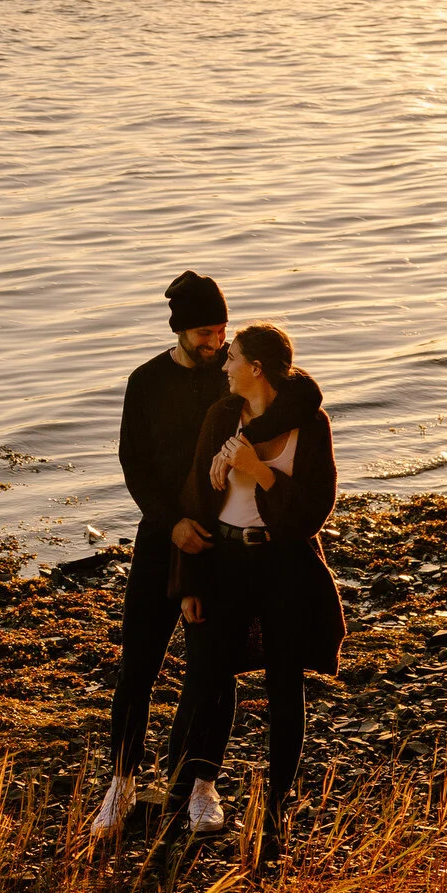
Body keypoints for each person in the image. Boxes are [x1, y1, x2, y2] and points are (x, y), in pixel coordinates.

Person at [96, 274, 318, 839]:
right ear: (178, 329)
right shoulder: (145, 382)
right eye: (203, 332)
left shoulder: (232, 383)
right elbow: (134, 465)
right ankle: (120, 785)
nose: (215, 344)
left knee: (212, 671)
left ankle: (201, 785)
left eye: (222, 332)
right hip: (163, 537)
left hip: (219, 544)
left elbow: (295, 396)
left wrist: (252, 457)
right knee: (137, 666)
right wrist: (172, 523)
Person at [170, 322, 345, 856]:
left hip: (283, 563)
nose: (224, 365)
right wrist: (189, 582)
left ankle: (276, 806)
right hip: (222, 559)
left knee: (284, 686)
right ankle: (192, 794)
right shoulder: (222, 416)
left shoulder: (310, 426)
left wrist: (260, 472)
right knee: (207, 676)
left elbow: (314, 511)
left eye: (233, 358)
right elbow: (196, 502)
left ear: (256, 369)